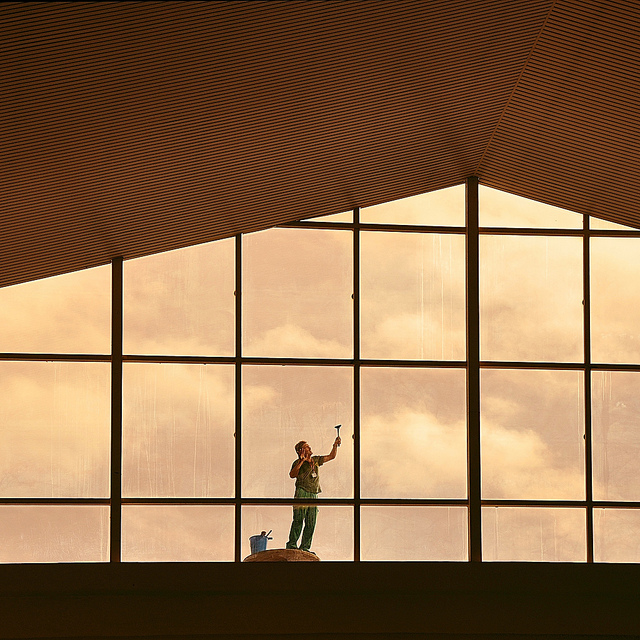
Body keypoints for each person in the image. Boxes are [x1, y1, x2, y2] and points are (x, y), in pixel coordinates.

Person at [285, 436, 341, 553]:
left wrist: (335, 445)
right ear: (301, 450)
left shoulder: (315, 460)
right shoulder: (297, 463)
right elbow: (292, 474)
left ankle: (305, 547)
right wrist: (301, 461)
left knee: (311, 522)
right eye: (306, 447)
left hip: (314, 494)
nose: (310, 448)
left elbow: (331, 456)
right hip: (302, 492)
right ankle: (292, 545)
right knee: (298, 520)